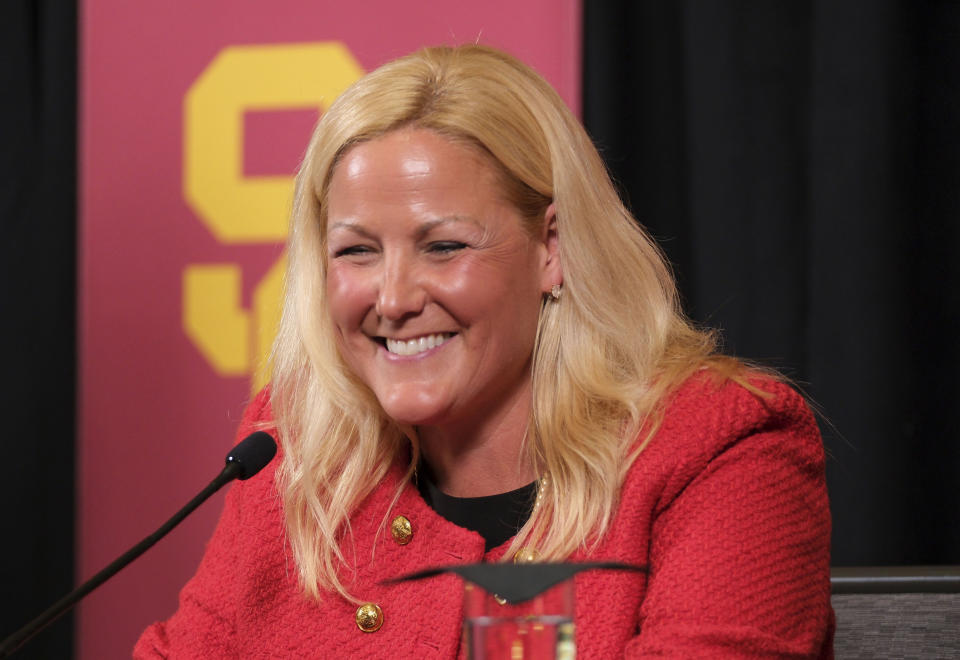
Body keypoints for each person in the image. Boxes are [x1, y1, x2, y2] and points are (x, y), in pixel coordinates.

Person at [135, 44, 833, 658]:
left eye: (443, 246)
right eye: (356, 251)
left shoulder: (723, 448)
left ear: (551, 249)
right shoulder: (292, 452)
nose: (393, 298)